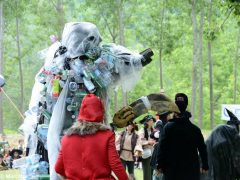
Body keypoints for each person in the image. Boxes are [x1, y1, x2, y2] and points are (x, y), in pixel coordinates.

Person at [55, 94, 128, 180]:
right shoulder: (107, 136)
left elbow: (58, 168)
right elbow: (115, 164)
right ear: (100, 113)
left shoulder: (66, 138)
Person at [156, 93, 209, 180]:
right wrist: (205, 165)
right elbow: (202, 149)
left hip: (172, 171)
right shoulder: (195, 129)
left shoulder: (168, 127)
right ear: (186, 106)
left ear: (175, 110)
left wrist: (159, 165)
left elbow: (162, 147)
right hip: (191, 172)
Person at [150, 112, 171, 180]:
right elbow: (155, 134)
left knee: (157, 176)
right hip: (163, 156)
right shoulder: (167, 124)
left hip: (160, 157)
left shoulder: (160, 123)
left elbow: (155, 135)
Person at [139, 115, 156, 180]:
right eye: (150, 120)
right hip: (146, 154)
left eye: (152, 120)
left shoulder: (154, 130)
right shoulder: (142, 130)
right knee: (147, 173)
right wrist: (149, 142)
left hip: (153, 154)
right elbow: (140, 141)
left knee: (152, 173)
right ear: (146, 122)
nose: (152, 122)